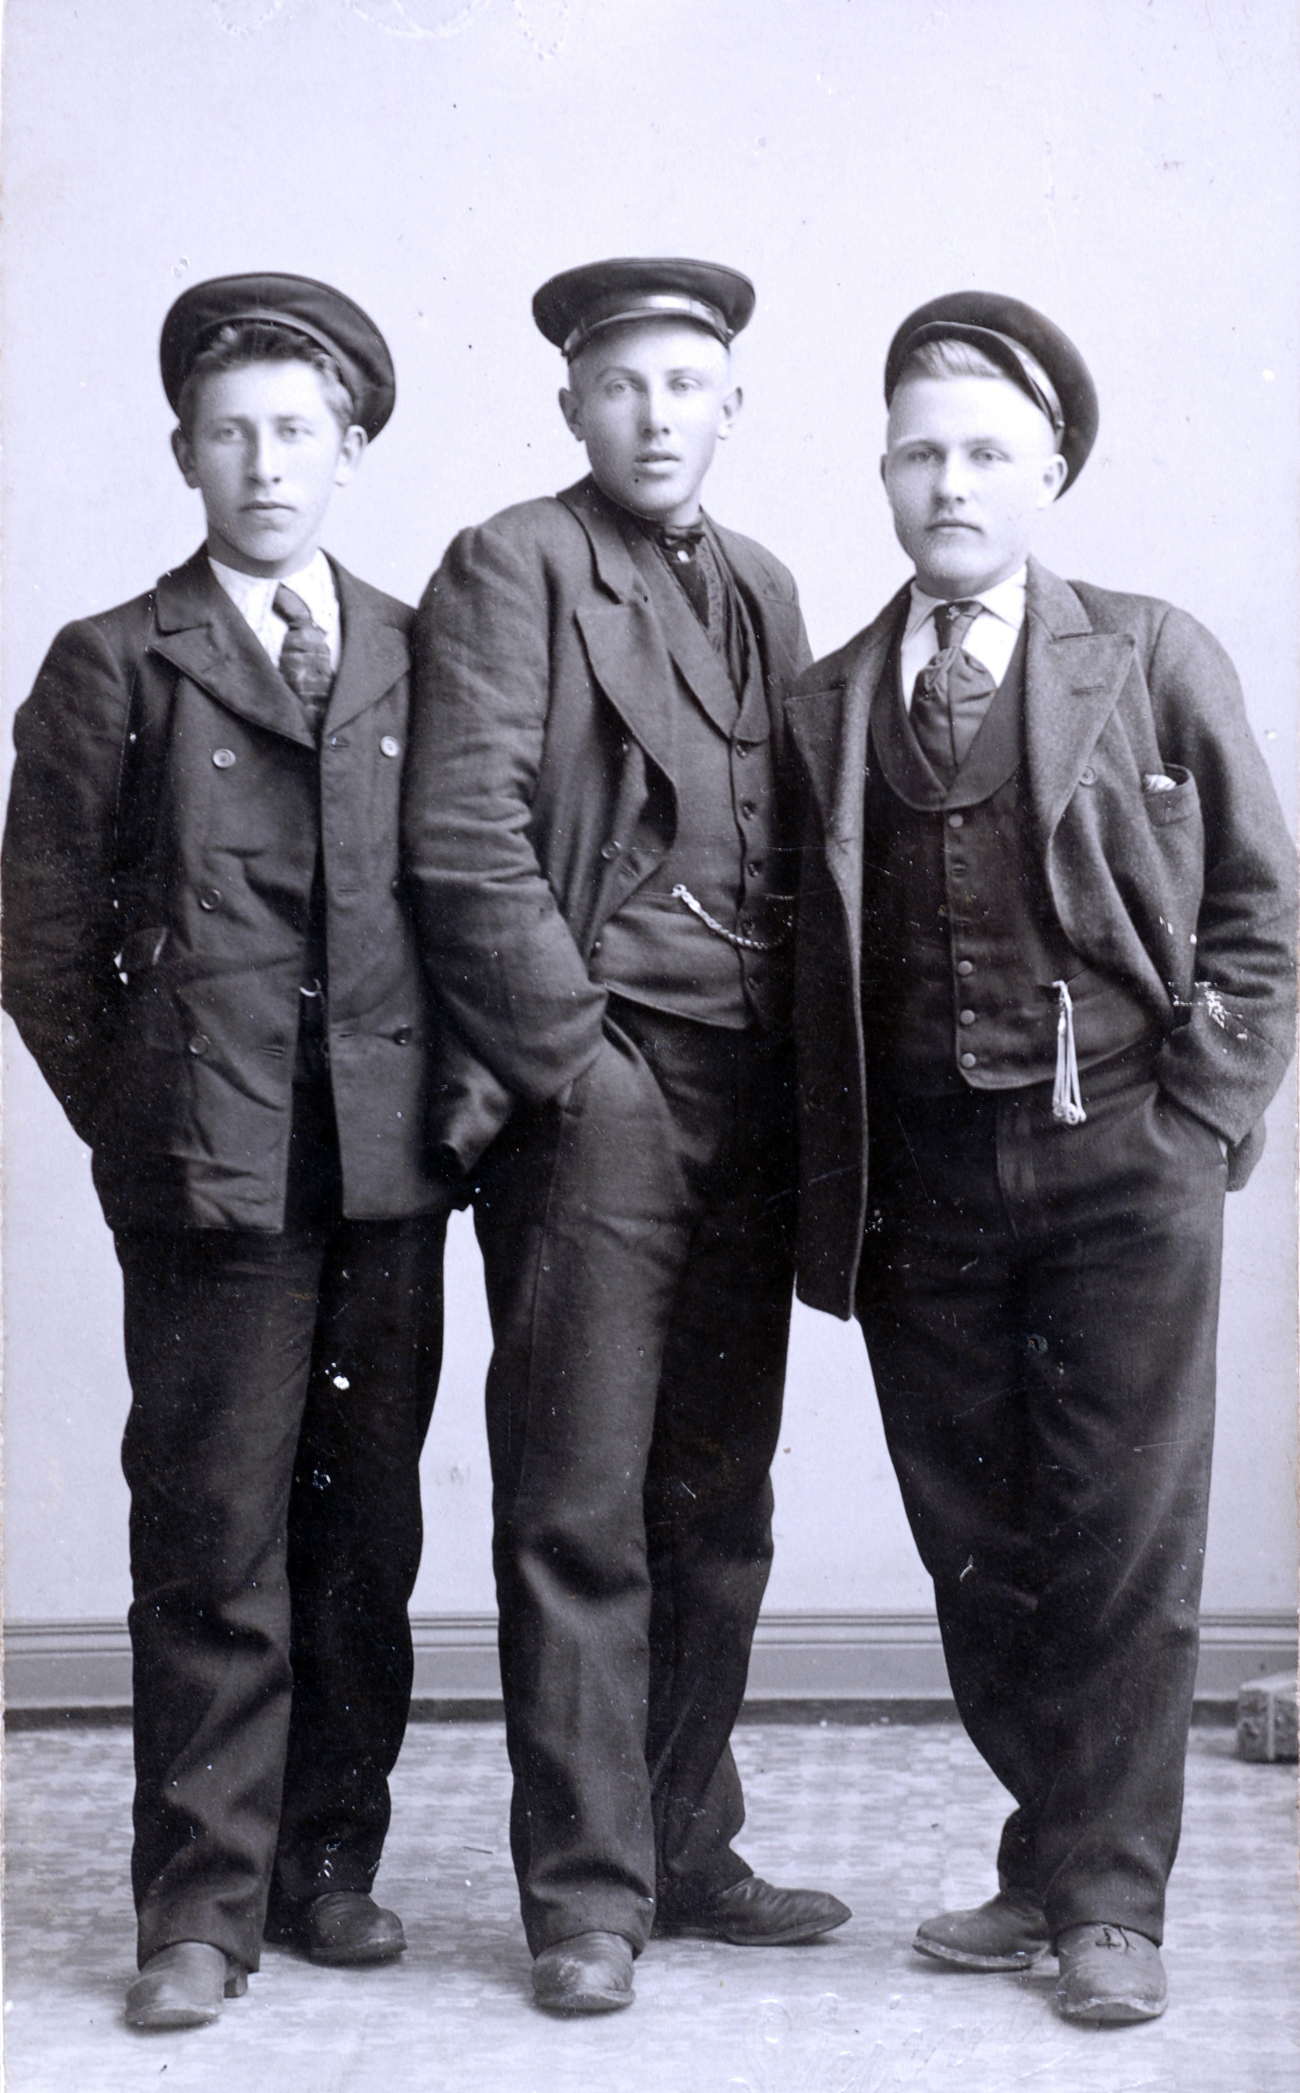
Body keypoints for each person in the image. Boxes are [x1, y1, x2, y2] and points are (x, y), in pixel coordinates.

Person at [784, 292, 1296, 2025]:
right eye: (920, 453)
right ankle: (1052, 1850)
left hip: (1124, 1169)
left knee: (1123, 1535)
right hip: (922, 1189)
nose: (952, 484)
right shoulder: (832, 700)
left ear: (1051, 472)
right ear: (882, 474)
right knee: (977, 1542)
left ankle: (1110, 1903)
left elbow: (1265, 912)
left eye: (988, 452)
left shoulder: (1149, 654)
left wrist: (1200, 1115)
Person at [2, 273, 452, 2030]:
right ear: (183, 451)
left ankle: (327, 1863)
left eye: (297, 430)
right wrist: (149, 1114)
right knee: (211, 1533)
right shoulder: (113, 660)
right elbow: (41, 942)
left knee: (365, 1529)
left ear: (350, 450)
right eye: (230, 432)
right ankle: (197, 1905)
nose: (265, 463)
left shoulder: (419, 650)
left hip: (388, 1173)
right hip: (210, 1176)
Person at [404, 257, 850, 2015]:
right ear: (572, 406)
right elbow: (463, 841)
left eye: (686, 386)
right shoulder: (513, 563)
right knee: (580, 1499)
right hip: (597, 1086)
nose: (656, 418)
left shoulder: (767, 585)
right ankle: (585, 1897)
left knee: (718, 1498)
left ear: (732, 405)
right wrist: (579, 1072)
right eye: (622, 387)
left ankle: (685, 1843)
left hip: (752, 1095)